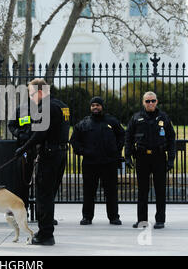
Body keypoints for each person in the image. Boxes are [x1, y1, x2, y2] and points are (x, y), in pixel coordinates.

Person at [14, 78, 69, 245]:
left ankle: (45, 234)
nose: (31, 98)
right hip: (60, 153)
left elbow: (39, 134)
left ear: (39, 92)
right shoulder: (62, 105)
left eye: (31, 94)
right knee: (49, 195)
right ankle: (46, 231)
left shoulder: (45, 107)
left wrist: (23, 148)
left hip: (49, 155)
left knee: (43, 196)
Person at [70, 96, 125, 226]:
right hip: (90, 163)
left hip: (109, 163)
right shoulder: (84, 123)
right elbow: (74, 140)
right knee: (89, 191)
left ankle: (114, 217)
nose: (95, 107)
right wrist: (83, 151)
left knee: (111, 191)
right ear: (90, 107)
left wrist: (116, 151)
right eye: (93, 105)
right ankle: (87, 217)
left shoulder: (112, 121)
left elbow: (122, 135)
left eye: (98, 105)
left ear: (102, 107)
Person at [125, 91, 176, 229]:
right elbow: (128, 138)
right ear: (143, 102)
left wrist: (171, 159)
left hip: (159, 157)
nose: (150, 103)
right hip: (142, 158)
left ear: (157, 101)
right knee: (142, 191)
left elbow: (171, 138)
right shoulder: (136, 117)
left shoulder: (163, 118)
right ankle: (142, 220)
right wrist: (128, 156)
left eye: (153, 100)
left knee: (160, 190)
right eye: (147, 101)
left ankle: (160, 220)